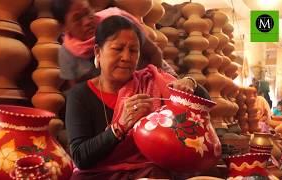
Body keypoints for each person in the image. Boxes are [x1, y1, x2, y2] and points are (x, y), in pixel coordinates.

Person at [65, 16, 211, 179]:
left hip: (145, 173)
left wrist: (190, 82)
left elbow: (202, 104)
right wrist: (119, 127)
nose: (126, 57)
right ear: (98, 53)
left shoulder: (151, 82)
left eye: (133, 50)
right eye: (118, 49)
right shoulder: (80, 95)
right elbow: (80, 158)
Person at [52, 0, 177, 88]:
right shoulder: (67, 54)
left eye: (87, 12)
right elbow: (77, 92)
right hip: (121, 96)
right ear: (64, 27)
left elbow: (154, 53)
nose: (86, 21)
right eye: (77, 19)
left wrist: (158, 85)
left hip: (156, 77)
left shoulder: (118, 22)